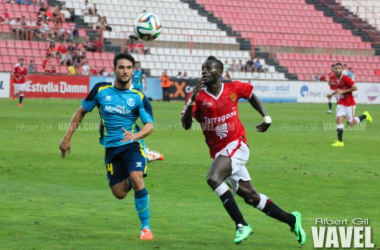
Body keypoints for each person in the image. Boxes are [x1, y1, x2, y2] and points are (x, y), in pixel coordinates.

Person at [181, 56, 306, 245]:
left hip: (237, 145)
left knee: (213, 178)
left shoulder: (233, 88)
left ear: (220, 72)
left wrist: (266, 117)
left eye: (209, 68)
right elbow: (186, 125)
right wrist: (191, 102)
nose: (204, 72)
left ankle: (241, 224)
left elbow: (251, 95)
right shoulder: (197, 97)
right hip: (220, 153)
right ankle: (292, 220)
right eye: (203, 69)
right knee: (251, 197)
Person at [59, 53, 156, 240]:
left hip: (132, 144)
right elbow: (81, 112)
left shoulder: (138, 96)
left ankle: (146, 228)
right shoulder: (100, 90)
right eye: (121, 67)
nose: (125, 71)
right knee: (119, 193)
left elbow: (149, 125)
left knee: (137, 179)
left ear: (133, 70)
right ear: (114, 69)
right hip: (111, 148)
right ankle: (145, 160)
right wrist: (67, 138)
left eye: (128, 67)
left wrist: (135, 136)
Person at [327, 63, 372, 147]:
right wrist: (332, 94)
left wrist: (343, 92)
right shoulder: (336, 79)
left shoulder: (346, 78)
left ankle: (365, 115)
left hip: (349, 104)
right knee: (339, 120)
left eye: (339, 68)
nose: (337, 70)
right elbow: (339, 89)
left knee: (350, 124)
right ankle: (340, 142)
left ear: (342, 69)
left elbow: (355, 87)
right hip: (341, 103)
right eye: (336, 68)